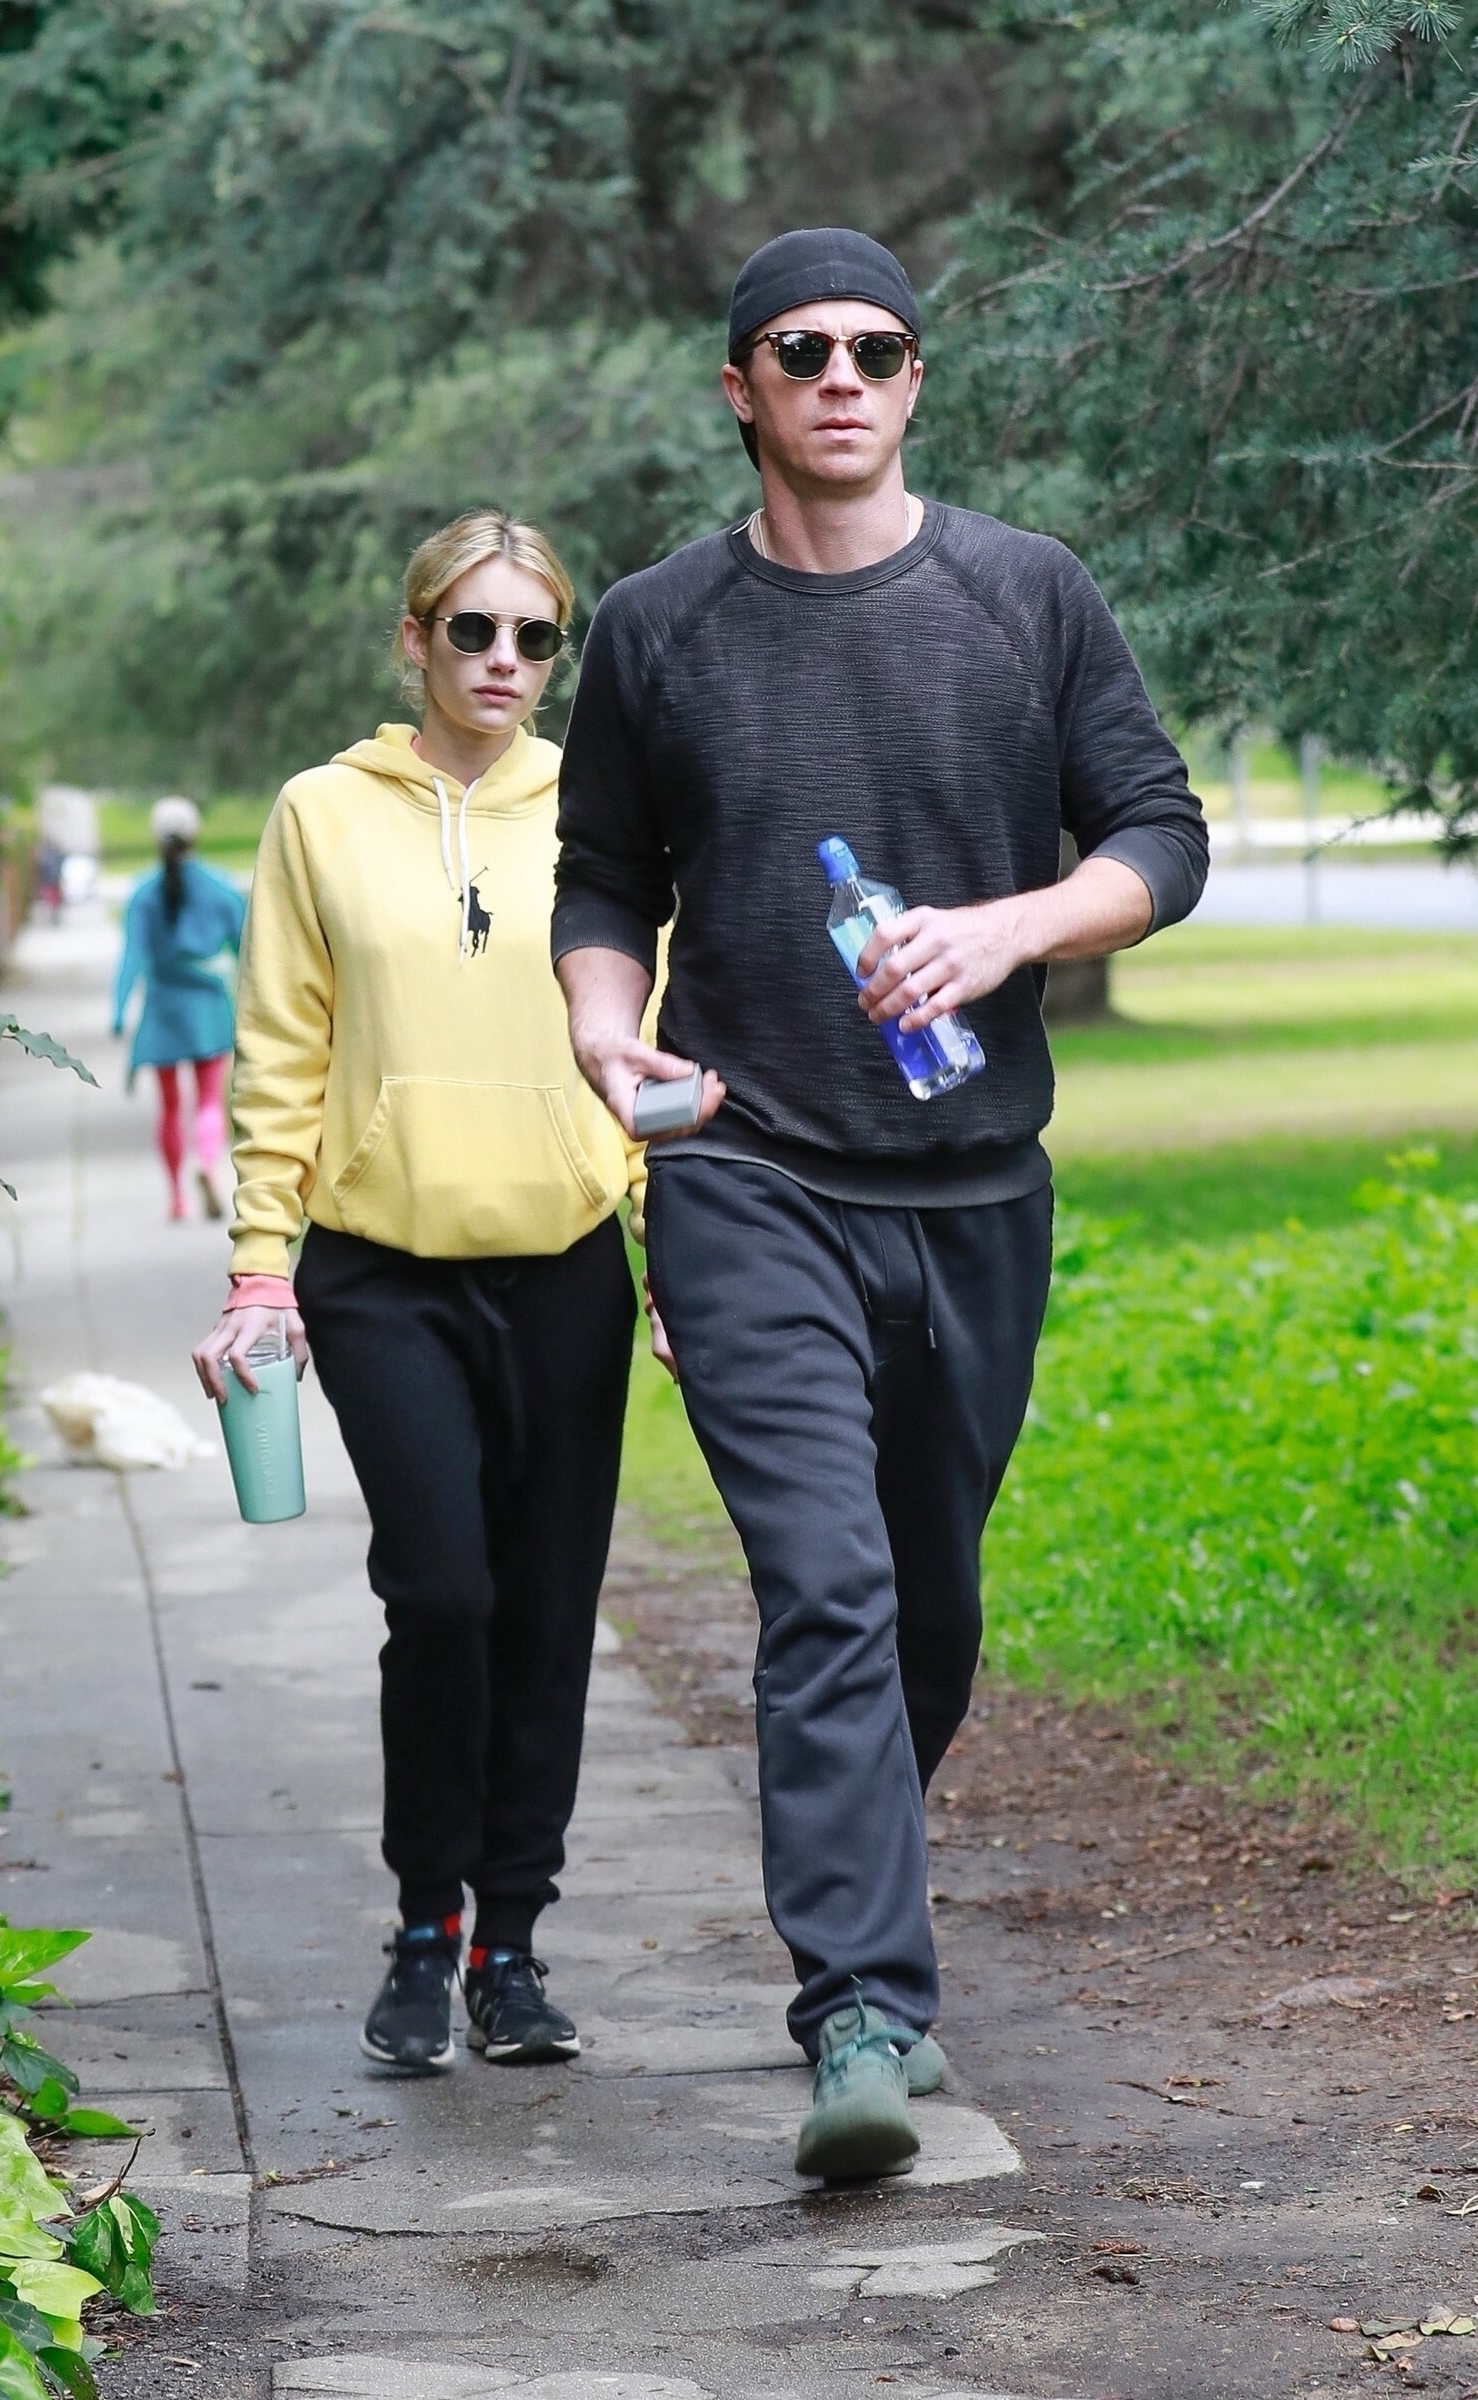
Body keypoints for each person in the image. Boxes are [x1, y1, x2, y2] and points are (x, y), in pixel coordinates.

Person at [551, 227, 1209, 2181]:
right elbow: (604, 879)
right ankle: (857, 2006)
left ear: (913, 381)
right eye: (799, 349)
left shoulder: (1023, 595)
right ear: (741, 389)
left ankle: (862, 1897)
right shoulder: (657, 629)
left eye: (875, 347)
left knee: (926, 1603)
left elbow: (1159, 834)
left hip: (975, 1186)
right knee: (825, 1587)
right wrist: (602, 1029)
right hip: (745, 1171)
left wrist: (1007, 931)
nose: (839, 375)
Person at [191, 509, 643, 2077]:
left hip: (567, 1262)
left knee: (549, 1610)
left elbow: (652, 1033)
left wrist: (666, 1245)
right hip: (380, 1270)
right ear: (415, 638)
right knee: (442, 1594)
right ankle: (422, 1924)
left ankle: (510, 1946)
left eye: (536, 636)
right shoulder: (321, 813)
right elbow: (281, 1052)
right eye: (474, 630)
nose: (505, 660)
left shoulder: (600, 806)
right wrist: (260, 1268)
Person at [114, 798, 246, 1221]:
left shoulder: (143, 893)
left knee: (170, 1106)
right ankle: (208, 1165)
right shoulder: (222, 887)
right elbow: (249, 949)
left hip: (163, 1009)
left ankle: (176, 1198)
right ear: (195, 835)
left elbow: (132, 956)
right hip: (209, 1008)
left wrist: (118, 1010)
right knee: (209, 1100)